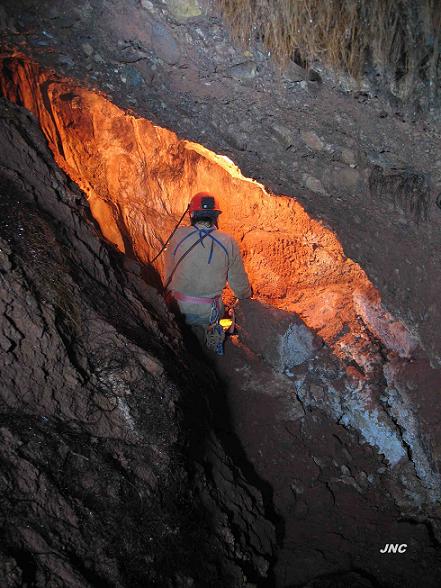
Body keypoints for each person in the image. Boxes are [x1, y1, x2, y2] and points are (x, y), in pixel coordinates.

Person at [164, 192, 251, 354]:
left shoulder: (178, 235)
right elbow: (239, 284)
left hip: (178, 306)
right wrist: (246, 296)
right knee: (214, 336)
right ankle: (213, 346)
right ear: (216, 216)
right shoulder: (228, 241)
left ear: (192, 214)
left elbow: (168, 273)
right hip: (209, 311)